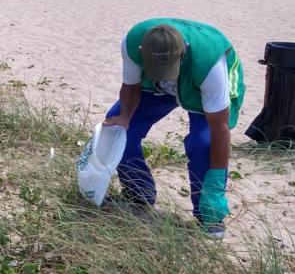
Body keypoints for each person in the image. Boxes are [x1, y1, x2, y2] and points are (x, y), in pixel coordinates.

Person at [103, 19, 246, 239]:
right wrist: (123, 117)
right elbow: (130, 88)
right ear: (143, 52)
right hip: (155, 87)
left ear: (184, 51)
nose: (164, 73)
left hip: (196, 81)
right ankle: (138, 195)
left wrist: (216, 187)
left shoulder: (209, 64)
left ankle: (210, 215)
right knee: (120, 129)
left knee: (203, 143)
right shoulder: (131, 45)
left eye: (168, 68)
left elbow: (219, 129)